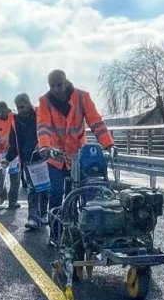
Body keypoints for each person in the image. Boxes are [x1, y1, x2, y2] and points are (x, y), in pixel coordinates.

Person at [37, 70, 115, 244]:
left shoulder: (82, 97)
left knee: (83, 193)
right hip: (55, 157)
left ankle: (86, 231)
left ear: (66, 82)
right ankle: (56, 234)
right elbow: (43, 126)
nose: (56, 89)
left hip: (78, 156)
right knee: (56, 193)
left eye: (59, 85)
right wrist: (44, 146)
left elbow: (96, 122)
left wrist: (108, 144)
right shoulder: (45, 101)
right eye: (52, 86)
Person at [5, 93, 48, 229]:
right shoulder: (15, 121)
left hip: (43, 157)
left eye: (23, 107)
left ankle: (43, 214)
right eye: (18, 108)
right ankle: (33, 218)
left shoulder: (40, 115)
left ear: (29, 104)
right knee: (32, 189)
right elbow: (14, 142)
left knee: (45, 188)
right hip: (27, 159)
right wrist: (7, 158)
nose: (21, 110)